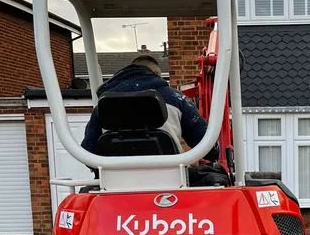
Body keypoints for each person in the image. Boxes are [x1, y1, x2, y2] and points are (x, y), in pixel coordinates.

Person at [81, 54, 218, 160]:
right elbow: (206, 145)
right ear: (156, 75)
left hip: (115, 183)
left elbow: (88, 149)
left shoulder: (104, 104)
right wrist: (215, 153)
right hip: (171, 179)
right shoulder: (176, 99)